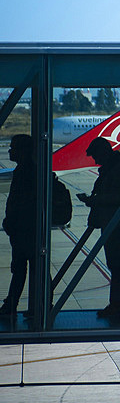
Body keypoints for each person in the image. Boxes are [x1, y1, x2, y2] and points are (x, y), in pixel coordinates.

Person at [77, 137, 120, 320]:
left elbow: (116, 197)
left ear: (103, 152)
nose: (95, 161)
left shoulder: (116, 170)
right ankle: (116, 303)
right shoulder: (114, 167)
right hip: (110, 219)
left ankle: (118, 304)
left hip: (114, 220)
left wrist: (93, 201)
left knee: (115, 265)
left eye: (96, 156)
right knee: (114, 265)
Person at [1, 135, 40, 317]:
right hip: (23, 228)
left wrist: (12, 221)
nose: (10, 151)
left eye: (13, 147)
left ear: (22, 151)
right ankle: (36, 304)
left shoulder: (25, 172)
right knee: (27, 267)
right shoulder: (26, 170)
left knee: (22, 268)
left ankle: (15, 305)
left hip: (24, 229)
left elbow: (21, 202)